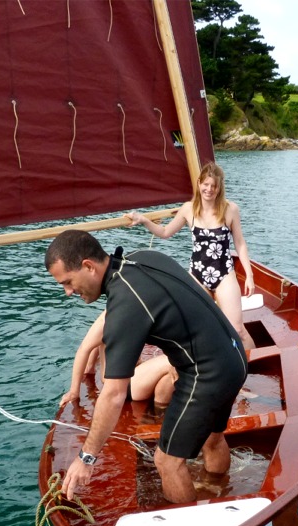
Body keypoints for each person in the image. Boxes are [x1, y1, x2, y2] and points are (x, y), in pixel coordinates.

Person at [45, 229, 247, 504]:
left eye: (67, 282)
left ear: (88, 267)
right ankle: (216, 487)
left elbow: (115, 393)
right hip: (234, 355)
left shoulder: (124, 306)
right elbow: (195, 295)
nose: (68, 292)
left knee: (166, 461)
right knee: (212, 436)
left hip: (207, 373)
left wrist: (86, 457)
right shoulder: (144, 258)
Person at [126, 161, 255, 352]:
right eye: (206, 184)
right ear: (199, 183)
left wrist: (250, 276)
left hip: (224, 273)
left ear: (220, 187)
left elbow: (240, 243)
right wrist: (144, 220)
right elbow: (165, 232)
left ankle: (253, 364)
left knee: (237, 329)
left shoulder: (230, 209)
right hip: (197, 273)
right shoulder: (188, 209)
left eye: (214, 185)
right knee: (200, 329)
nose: (209, 189)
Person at [59, 310, 177, 408]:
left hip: (136, 378)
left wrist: (90, 366)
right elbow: (84, 349)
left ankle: (158, 412)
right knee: (175, 361)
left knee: (169, 375)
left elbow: (95, 345)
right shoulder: (109, 317)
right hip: (121, 383)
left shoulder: (136, 310)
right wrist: (74, 391)